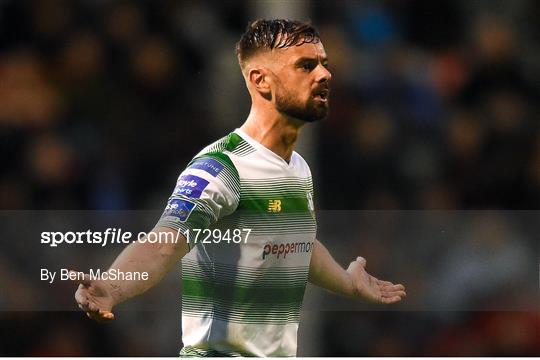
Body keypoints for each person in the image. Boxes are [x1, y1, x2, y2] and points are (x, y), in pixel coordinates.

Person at [73, 19, 406, 357]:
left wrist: (347, 281)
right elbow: (164, 242)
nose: (324, 74)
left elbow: (293, 243)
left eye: (323, 63)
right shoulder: (222, 166)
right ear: (261, 80)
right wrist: (112, 286)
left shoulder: (297, 168)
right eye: (306, 65)